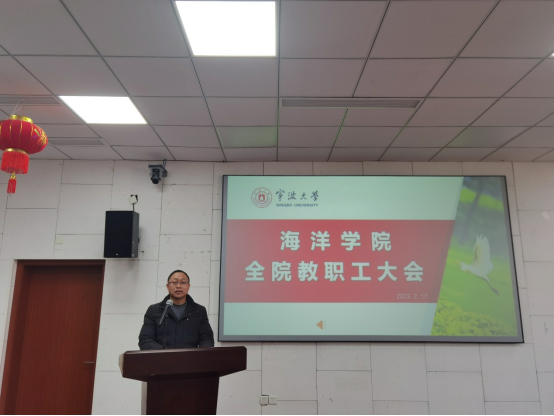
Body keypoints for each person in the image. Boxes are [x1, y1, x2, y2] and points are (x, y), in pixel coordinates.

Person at [139, 270, 214, 350]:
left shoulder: (199, 311)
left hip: (190, 357)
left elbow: (206, 338)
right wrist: (167, 353)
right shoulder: (154, 310)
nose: (178, 286)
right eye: (174, 282)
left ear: (188, 286)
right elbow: (145, 340)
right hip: (162, 357)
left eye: (183, 282)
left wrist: (201, 354)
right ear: (167, 286)